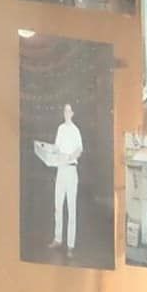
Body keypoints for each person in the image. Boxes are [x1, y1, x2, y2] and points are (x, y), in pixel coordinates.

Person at [35, 100, 85, 254]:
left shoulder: (76, 130)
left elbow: (80, 150)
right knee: (58, 206)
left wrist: (69, 157)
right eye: (64, 111)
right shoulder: (60, 129)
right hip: (60, 171)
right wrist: (44, 147)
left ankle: (70, 245)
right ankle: (57, 239)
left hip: (71, 171)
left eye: (69, 111)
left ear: (72, 114)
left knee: (71, 209)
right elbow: (56, 148)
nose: (66, 113)